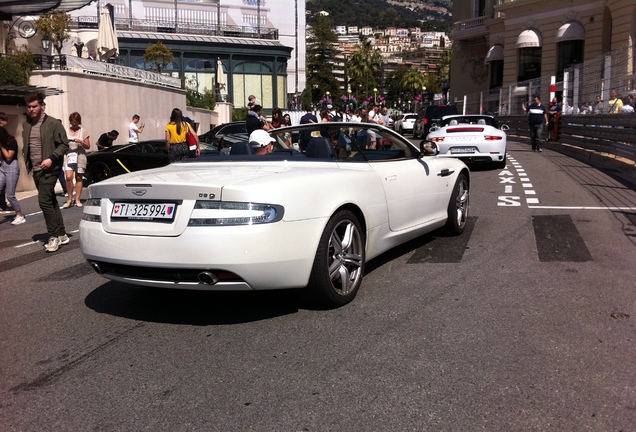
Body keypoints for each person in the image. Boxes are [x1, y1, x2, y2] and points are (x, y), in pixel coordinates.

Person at [22, 92, 69, 252]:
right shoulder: (27, 124)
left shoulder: (54, 123)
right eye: (29, 107)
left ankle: (54, 236)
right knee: (51, 201)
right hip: (36, 169)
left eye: (34, 106)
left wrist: (51, 158)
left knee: (44, 201)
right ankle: (62, 233)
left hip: (51, 168)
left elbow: (64, 145)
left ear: (42, 106)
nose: (31, 109)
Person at [62, 112, 90, 208]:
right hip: (69, 156)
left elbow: (88, 146)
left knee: (79, 177)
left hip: (80, 156)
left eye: (76, 122)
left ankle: (77, 199)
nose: (74, 124)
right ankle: (70, 198)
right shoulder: (65, 131)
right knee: (69, 177)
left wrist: (81, 141)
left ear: (79, 121)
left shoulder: (83, 131)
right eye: (73, 121)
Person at [0, 127, 26, 224]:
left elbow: (9, 156)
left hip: (12, 167)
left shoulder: (12, 142)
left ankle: (19, 215)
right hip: (2, 166)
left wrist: (1, 146)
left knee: (10, 195)